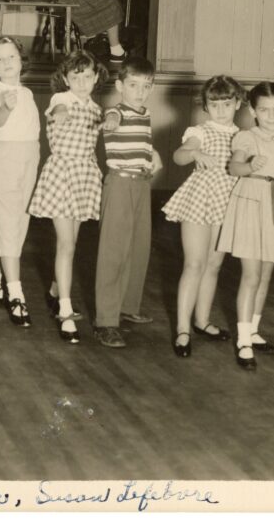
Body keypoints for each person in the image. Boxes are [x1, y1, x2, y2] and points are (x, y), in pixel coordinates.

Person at [216, 81, 274, 370]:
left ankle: (253, 331)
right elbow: (234, 167)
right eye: (264, 110)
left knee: (266, 276)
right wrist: (250, 167)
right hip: (251, 207)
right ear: (254, 111)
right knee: (251, 276)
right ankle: (243, 341)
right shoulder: (247, 138)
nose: (271, 115)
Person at [162, 75, 245, 358]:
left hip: (228, 203)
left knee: (213, 265)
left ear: (238, 103)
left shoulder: (242, 136)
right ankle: (183, 329)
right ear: (206, 106)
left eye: (227, 103)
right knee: (194, 264)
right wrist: (195, 152)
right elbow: (179, 156)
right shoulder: (200, 131)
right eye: (214, 104)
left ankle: (202, 321)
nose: (221, 110)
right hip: (199, 200)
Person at [28, 50, 107, 344]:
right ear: (65, 78)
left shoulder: (97, 109)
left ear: (97, 77)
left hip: (85, 176)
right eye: (76, 76)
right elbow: (57, 110)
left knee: (71, 244)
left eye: (88, 76)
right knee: (66, 245)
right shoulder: (61, 99)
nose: (82, 82)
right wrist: (60, 114)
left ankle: (53, 290)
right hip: (62, 174)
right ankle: (64, 310)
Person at [93, 56, 161, 348]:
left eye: (146, 86)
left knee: (137, 248)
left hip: (141, 186)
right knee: (113, 253)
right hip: (119, 185)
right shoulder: (116, 111)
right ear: (120, 85)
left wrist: (152, 155)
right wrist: (108, 122)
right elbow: (110, 123)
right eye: (134, 85)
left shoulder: (144, 113)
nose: (140, 91)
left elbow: (141, 143)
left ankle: (127, 307)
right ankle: (106, 321)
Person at [0, 36, 41, 326]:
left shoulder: (27, 92)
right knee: (7, 225)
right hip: (6, 161)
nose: (6, 62)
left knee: (16, 223)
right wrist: (5, 106)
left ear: (21, 60)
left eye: (11, 57)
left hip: (30, 160)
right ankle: (15, 293)